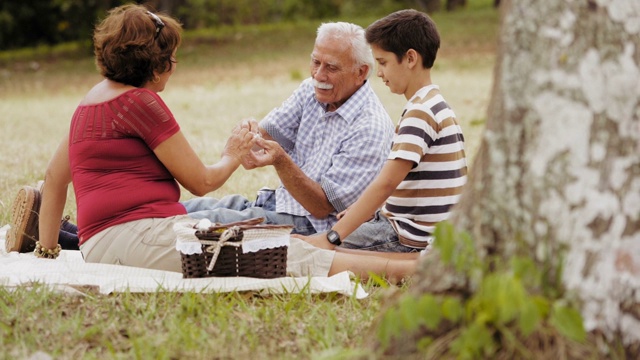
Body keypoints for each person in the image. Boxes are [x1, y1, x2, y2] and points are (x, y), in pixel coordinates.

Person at [5, 5, 415, 283]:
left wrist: (48, 253)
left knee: (258, 236)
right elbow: (202, 181)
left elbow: (53, 180)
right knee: (278, 254)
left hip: (112, 239)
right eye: (172, 57)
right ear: (155, 63)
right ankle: (415, 272)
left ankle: (413, 265)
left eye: (331, 66)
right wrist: (234, 154)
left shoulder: (90, 101)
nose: (175, 66)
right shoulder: (142, 103)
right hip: (140, 236)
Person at [181, 21, 395, 236]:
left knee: (194, 223)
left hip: (310, 227)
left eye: (331, 67)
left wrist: (281, 161)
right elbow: (256, 145)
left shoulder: (370, 127)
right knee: (181, 210)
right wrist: (244, 138)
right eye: (315, 62)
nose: (318, 75)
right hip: (275, 204)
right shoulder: (310, 92)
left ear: (361, 72)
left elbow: (321, 208)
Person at [297, 9, 468, 255]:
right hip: (418, 229)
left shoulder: (420, 112)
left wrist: (333, 237)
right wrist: (367, 211)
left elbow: (386, 183)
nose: (378, 73)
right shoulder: (435, 104)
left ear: (410, 59)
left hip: (406, 236)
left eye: (383, 62)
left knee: (306, 249)